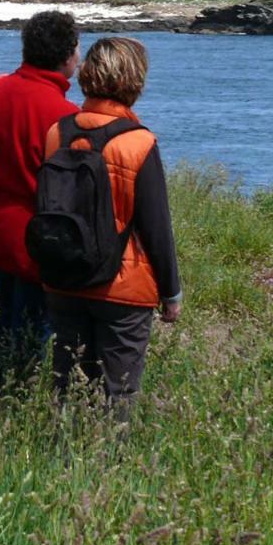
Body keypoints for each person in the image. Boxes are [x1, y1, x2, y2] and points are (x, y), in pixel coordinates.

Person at [43, 37, 181, 418]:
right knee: (117, 395)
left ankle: (60, 461)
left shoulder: (58, 132)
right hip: (122, 289)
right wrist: (171, 292)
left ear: (88, 74)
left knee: (68, 386)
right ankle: (108, 469)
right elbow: (156, 227)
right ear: (133, 80)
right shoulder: (138, 142)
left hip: (65, 277)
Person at [0, 10, 81, 382]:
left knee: (10, 318)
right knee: (30, 336)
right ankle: (6, 403)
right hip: (35, 243)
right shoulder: (65, 114)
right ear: (68, 56)